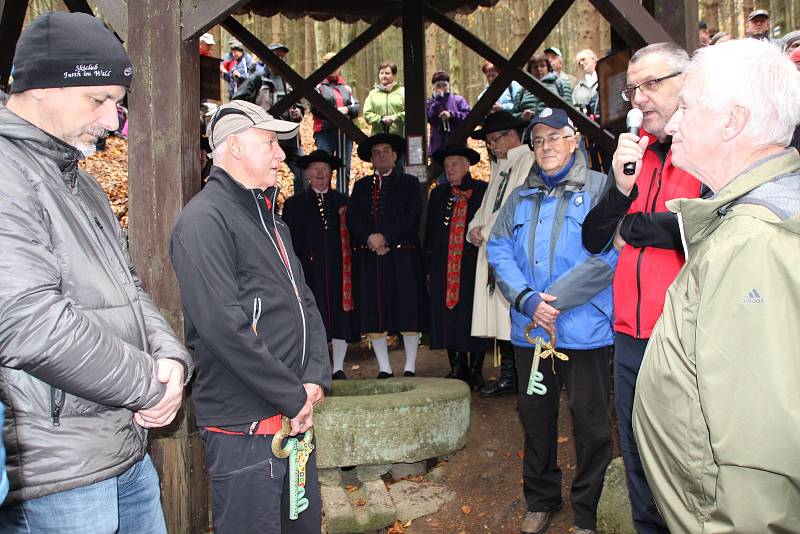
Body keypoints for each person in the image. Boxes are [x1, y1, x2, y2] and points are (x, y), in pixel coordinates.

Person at [0, 12, 193, 532]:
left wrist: (170, 358)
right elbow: (26, 323)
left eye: (117, 102)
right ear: (39, 86)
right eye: (98, 100)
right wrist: (148, 387)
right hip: (55, 469)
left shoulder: (79, 184)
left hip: (122, 446)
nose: (113, 121)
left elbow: (128, 288)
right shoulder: (5, 174)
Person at [633, 38, 800, 533]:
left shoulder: (753, 243)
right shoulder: (756, 216)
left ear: (732, 120)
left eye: (685, 106)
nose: (674, 121)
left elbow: (758, 462)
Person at [170, 100, 330, 533]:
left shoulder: (273, 223)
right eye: (270, 143)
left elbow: (306, 302)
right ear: (235, 148)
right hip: (245, 426)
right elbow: (225, 328)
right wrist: (292, 396)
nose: (282, 155)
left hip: (294, 417)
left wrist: (314, 376)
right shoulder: (204, 221)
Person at [581, 42, 703, 534]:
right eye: (633, 89)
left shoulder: (707, 151)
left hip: (683, 338)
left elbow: (720, 226)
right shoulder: (637, 154)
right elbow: (593, 237)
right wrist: (618, 188)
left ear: (688, 82)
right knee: (635, 455)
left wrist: (640, 228)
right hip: (628, 335)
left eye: (652, 84)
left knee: (683, 460)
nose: (640, 99)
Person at [488, 108, 617, 534]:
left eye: (555, 137)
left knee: (591, 423)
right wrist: (526, 299)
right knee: (536, 416)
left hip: (584, 330)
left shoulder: (602, 189)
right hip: (534, 335)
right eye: (539, 140)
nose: (547, 146)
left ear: (574, 139)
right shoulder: (520, 196)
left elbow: (609, 256)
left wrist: (555, 301)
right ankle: (541, 499)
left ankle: (587, 510)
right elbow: (499, 247)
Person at [348, 133, 426, 378]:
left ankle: (410, 366)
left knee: (409, 310)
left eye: (386, 151)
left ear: (394, 155)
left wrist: (386, 237)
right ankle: (384, 367)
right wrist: (370, 238)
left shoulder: (410, 184)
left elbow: (411, 216)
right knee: (374, 311)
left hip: (403, 256)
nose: (381, 155)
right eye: (376, 153)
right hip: (371, 258)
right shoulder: (360, 187)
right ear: (371, 159)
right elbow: (353, 218)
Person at [468, 111, 533, 397]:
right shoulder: (503, 166)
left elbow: (514, 203)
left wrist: (484, 231)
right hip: (492, 244)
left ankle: (518, 375)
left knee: (510, 310)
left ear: (512, 135)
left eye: (494, 140)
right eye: (489, 142)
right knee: (500, 312)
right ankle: (510, 374)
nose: (491, 147)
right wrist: (473, 227)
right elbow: (487, 206)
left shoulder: (528, 160)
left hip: (510, 247)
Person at [282, 150, 360, 380]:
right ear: (306, 173)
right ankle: (317, 368)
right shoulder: (294, 204)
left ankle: (338, 367)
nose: (319, 173)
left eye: (324, 169)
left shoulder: (343, 201)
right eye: (315, 169)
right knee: (314, 317)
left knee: (339, 316)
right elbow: (288, 239)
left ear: (331, 174)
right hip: (308, 272)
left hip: (339, 270)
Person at [425, 147, 489, 390]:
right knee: (449, 315)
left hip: (472, 263)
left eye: (455, 164)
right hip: (444, 264)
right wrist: (428, 263)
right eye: (447, 165)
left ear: (466, 165)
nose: (450, 169)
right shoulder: (439, 194)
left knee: (472, 315)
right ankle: (457, 366)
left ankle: (475, 370)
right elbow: (429, 231)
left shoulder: (482, 190)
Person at [233, 43, 306, 194]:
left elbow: (300, 105)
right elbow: (238, 99)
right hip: (265, 137)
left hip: (290, 136)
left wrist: (298, 112)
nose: (279, 59)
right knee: (264, 174)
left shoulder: (289, 79)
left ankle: (299, 207)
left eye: (281, 56)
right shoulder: (258, 78)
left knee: (303, 170)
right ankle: (268, 208)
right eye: (275, 56)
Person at [312, 52, 360, 195]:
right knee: (323, 167)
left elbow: (356, 107)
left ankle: (342, 198)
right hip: (325, 133)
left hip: (345, 134)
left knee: (343, 169)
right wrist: (335, 112)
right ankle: (322, 198)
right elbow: (315, 108)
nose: (332, 70)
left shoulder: (346, 88)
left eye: (335, 67)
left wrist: (347, 110)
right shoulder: (318, 86)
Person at [511, 54, 572, 123]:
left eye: (542, 66)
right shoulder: (523, 89)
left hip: (555, 126)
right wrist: (522, 116)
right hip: (529, 128)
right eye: (535, 67)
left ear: (548, 67)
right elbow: (513, 115)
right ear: (530, 70)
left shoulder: (560, 83)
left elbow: (570, 110)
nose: (539, 69)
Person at [426, 71, 471, 155]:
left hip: (458, 146)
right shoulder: (430, 103)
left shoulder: (458, 100)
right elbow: (431, 118)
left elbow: (468, 117)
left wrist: (452, 114)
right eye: (438, 86)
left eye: (444, 85)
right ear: (434, 87)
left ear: (448, 86)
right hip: (437, 148)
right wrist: (437, 101)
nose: (442, 88)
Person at [363, 61, 405, 137]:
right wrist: (381, 119)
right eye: (381, 73)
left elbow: (410, 112)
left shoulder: (403, 92)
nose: (384, 76)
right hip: (378, 138)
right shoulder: (373, 94)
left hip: (399, 137)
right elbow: (367, 114)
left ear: (394, 75)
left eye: (387, 73)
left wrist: (395, 117)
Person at [572, 49, 598, 116]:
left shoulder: (604, 79)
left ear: (593, 58)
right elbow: (575, 110)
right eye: (579, 62)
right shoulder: (577, 89)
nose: (581, 63)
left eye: (583, 59)